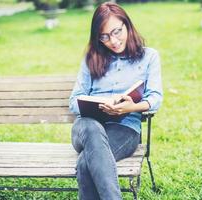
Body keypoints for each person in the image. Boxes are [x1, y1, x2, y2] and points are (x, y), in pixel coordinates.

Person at [69, 2, 163, 200]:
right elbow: (73, 101)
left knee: (86, 164)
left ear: (127, 25)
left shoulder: (149, 57)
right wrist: (98, 103)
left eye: (117, 32)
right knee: (93, 129)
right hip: (87, 127)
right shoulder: (91, 58)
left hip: (125, 128)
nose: (113, 40)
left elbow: (155, 97)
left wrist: (131, 107)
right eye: (104, 36)